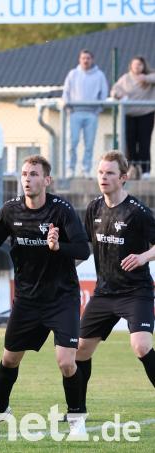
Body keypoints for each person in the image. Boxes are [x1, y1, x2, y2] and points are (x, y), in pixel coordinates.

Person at [0, 155, 91, 436]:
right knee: (9, 360)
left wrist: (58, 247)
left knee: (66, 362)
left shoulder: (62, 210)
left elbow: (83, 250)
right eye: (24, 173)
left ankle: (76, 418)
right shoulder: (11, 210)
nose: (27, 179)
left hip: (62, 298)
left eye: (34, 174)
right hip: (27, 300)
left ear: (47, 180)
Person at [75, 151, 155, 416]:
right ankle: (78, 410)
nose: (103, 177)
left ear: (123, 177)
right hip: (104, 293)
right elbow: (83, 246)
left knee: (141, 346)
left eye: (110, 173)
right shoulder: (94, 208)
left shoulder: (137, 212)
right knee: (79, 350)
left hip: (135, 292)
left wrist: (143, 257)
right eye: (100, 172)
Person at [62, 49, 108, 178]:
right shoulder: (73, 74)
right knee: (72, 142)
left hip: (91, 114)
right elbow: (66, 93)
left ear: (92, 59)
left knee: (89, 144)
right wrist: (69, 109)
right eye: (83, 58)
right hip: (75, 113)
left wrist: (97, 110)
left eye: (88, 58)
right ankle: (70, 169)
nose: (85, 60)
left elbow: (104, 94)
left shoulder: (99, 75)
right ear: (79, 59)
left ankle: (86, 170)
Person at [111, 56, 155, 178]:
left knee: (144, 142)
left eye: (139, 64)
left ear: (143, 66)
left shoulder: (149, 77)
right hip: (129, 115)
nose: (137, 67)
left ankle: (145, 170)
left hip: (146, 114)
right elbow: (114, 90)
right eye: (135, 64)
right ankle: (131, 169)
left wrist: (146, 78)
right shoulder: (125, 78)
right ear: (131, 66)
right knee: (129, 144)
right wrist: (119, 94)